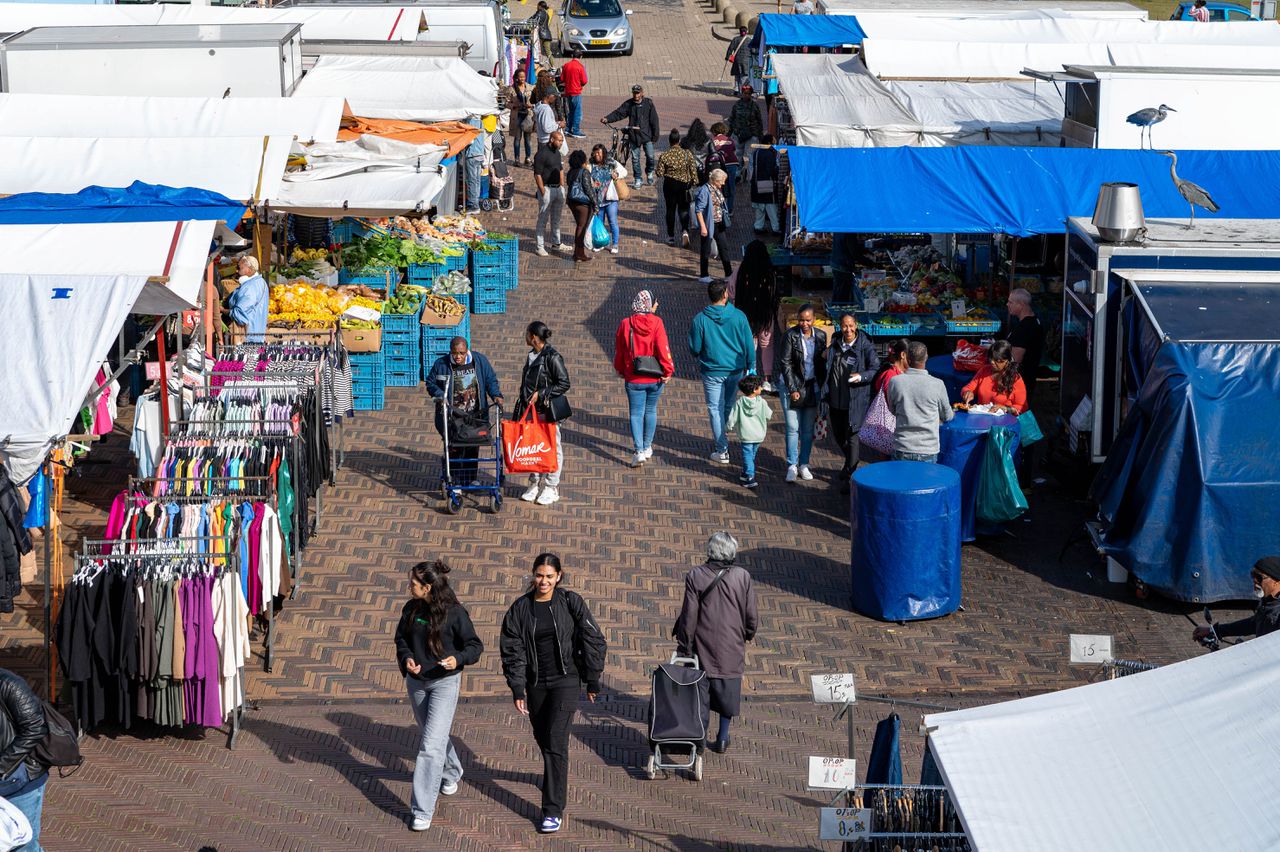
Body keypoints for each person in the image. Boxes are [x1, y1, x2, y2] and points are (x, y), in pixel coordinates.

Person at [500, 553, 607, 834]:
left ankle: (552, 810)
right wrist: (517, 687)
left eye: (549, 576)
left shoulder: (571, 602)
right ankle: (553, 776)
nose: (543, 581)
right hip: (537, 684)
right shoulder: (520, 609)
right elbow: (512, 651)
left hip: (566, 681)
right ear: (533, 576)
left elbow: (593, 638)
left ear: (559, 576)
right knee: (543, 736)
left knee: (556, 742)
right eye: (539, 575)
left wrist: (592, 679)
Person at [395, 561, 483, 832]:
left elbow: (474, 646)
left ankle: (421, 810)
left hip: (444, 684)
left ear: (428, 587)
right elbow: (401, 639)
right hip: (417, 683)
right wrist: (408, 658)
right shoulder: (411, 609)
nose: (409, 586)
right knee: (434, 736)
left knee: (429, 747)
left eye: (413, 582)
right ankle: (453, 771)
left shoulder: (455, 614)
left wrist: (456, 659)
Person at [674, 532, 758, 753]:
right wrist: (748, 633)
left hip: (704, 643)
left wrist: (685, 645)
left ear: (710, 551)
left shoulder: (696, 575)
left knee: (700, 691)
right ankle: (722, 737)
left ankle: (698, 738)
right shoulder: (743, 576)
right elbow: (751, 614)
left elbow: (689, 615)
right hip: (732, 642)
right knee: (728, 689)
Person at [688, 280, 755, 464]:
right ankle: (723, 437)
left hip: (711, 371)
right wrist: (751, 365)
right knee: (727, 405)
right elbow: (749, 343)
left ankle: (721, 448)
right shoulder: (739, 316)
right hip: (735, 370)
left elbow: (694, 348)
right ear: (725, 295)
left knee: (714, 409)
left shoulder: (700, 319)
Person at [426, 337, 504, 487]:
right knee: (454, 446)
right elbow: (431, 383)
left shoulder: (479, 361)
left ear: (466, 350)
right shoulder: (441, 364)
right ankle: (454, 479)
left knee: (472, 446)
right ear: (450, 351)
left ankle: (470, 477)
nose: (458, 357)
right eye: (455, 353)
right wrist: (440, 395)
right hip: (451, 416)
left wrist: (496, 395)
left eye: (461, 353)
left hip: (475, 415)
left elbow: (490, 380)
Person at [614, 289, 675, 467]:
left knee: (635, 413)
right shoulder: (657, 323)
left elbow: (620, 350)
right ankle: (647, 446)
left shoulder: (626, 324)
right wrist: (668, 371)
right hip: (655, 376)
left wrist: (620, 369)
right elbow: (663, 348)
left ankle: (638, 450)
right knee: (651, 411)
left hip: (634, 376)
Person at [515, 321, 571, 505]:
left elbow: (564, 383)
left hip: (546, 411)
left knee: (552, 446)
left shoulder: (552, 357)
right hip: (531, 411)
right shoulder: (531, 355)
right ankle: (534, 483)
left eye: (526, 333)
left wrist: (541, 394)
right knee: (534, 446)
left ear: (533, 337)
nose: (524, 336)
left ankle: (551, 486)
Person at [825, 312, 879, 489]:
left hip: (855, 401)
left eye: (851, 326)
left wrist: (861, 377)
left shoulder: (865, 345)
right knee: (839, 436)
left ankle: (850, 476)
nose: (848, 329)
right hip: (835, 401)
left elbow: (875, 368)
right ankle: (849, 465)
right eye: (844, 326)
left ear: (856, 326)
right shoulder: (835, 343)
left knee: (853, 438)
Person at [775, 304, 827, 483]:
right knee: (792, 426)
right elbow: (785, 363)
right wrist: (792, 389)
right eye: (801, 320)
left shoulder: (820, 336)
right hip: (792, 386)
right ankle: (791, 464)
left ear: (813, 320)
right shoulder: (790, 336)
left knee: (807, 429)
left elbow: (821, 364)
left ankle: (804, 463)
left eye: (808, 320)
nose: (804, 323)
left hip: (812, 387)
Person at [0, 668, 47, 852]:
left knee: (23, 846)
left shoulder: (8, 684)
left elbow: (35, 727)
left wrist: (2, 766)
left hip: (21, 783)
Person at [885, 341, 953, 463]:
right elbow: (947, 416)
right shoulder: (938, 384)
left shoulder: (895, 382)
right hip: (927, 450)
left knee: (901, 482)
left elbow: (893, 410)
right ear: (926, 357)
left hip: (902, 446)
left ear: (907, 358)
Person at [1193, 557, 1280, 642]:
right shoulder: (1267, 601)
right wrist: (1214, 630)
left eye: (1259, 577)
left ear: (1276, 582)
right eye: (1253, 575)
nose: (1255, 581)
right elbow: (1254, 623)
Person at [601, 85, 661, 189]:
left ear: (642, 93)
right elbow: (619, 113)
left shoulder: (648, 103)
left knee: (650, 156)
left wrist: (655, 135)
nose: (636, 95)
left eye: (638, 93)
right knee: (635, 159)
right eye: (634, 93)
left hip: (646, 136)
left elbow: (654, 120)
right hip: (634, 136)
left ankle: (649, 172)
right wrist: (607, 118)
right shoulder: (629, 104)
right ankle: (638, 178)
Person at [726, 375, 772, 489]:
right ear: (754, 389)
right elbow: (768, 415)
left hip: (746, 435)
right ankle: (747, 474)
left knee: (747, 455)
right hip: (759, 435)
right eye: (760, 387)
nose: (761, 388)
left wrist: (727, 428)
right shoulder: (762, 402)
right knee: (752, 455)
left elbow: (732, 418)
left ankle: (749, 475)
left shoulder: (739, 403)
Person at [655, 129, 699, 247]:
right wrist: (695, 182)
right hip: (684, 185)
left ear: (670, 141)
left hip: (669, 185)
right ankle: (684, 230)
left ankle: (671, 237)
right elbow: (693, 170)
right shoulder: (687, 154)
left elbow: (659, 173)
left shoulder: (665, 155)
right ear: (679, 141)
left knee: (670, 210)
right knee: (683, 209)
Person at [961, 339, 1027, 415]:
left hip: (1004, 422)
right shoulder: (984, 371)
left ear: (1007, 361)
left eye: (997, 360)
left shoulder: (1016, 379)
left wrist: (1005, 408)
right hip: (982, 419)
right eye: (991, 358)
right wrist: (967, 392)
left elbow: (1022, 407)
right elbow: (968, 388)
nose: (992, 362)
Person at [532, 130, 571, 257]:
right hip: (547, 189)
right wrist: (542, 191)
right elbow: (537, 174)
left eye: (561, 140)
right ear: (552, 140)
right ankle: (540, 246)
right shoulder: (541, 154)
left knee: (556, 219)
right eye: (559, 140)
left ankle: (556, 243)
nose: (561, 143)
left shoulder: (557, 152)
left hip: (557, 189)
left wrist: (561, 185)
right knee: (543, 219)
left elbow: (560, 168)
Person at [1003, 288, 1045, 405]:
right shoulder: (1035, 321)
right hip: (1029, 379)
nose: (1007, 305)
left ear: (1021, 305)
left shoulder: (1024, 329)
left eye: (1011, 302)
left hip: (1021, 383)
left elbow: (1015, 359)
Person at [693, 169, 734, 284]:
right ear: (715, 180)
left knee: (723, 247)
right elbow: (698, 210)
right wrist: (703, 227)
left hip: (719, 223)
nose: (723, 183)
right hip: (709, 224)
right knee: (705, 249)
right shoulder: (704, 191)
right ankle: (704, 274)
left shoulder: (716, 189)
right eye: (721, 181)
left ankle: (728, 273)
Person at [589, 144, 625, 254]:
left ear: (604, 153)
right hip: (598, 200)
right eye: (595, 153)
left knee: (612, 222)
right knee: (599, 222)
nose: (597, 155)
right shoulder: (591, 165)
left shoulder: (611, 163)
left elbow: (624, 172)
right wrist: (592, 184)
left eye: (599, 153)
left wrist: (617, 174)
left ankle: (615, 244)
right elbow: (588, 178)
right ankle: (600, 243)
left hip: (610, 199)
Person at [565, 149, 598, 263]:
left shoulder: (570, 171)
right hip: (582, 203)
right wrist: (595, 203)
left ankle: (577, 253)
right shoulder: (584, 172)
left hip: (571, 201)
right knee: (582, 227)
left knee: (579, 225)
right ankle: (579, 253)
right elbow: (588, 189)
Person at [227, 255, 268, 343]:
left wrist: (223, 310)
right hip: (257, 334)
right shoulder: (261, 282)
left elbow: (240, 315)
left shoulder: (249, 288)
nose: (237, 270)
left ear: (249, 270)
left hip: (248, 337)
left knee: (245, 357)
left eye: (239, 267)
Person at [728, 86, 764, 181]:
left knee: (751, 156)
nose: (746, 95)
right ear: (742, 93)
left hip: (752, 134)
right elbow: (731, 119)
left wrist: (760, 135)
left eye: (748, 93)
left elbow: (759, 121)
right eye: (745, 93)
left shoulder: (754, 105)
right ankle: (737, 174)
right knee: (737, 155)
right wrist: (729, 133)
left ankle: (751, 176)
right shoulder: (737, 105)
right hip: (738, 134)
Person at [749, 135, 780, 234]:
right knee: (771, 208)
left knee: (759, 207)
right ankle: (775, 228)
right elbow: (771, 170)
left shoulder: (756, 152)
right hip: (767, 184)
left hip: (756, 183)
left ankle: (758, 226)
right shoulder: (770, 154)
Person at [708, 122, 740, 214]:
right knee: (731, 187)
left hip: (720, 165)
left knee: (719, 187)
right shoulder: (729, 139)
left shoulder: (712, 140)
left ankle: (720, 209)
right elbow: (733, 150)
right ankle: (730, 210)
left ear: (714, 131)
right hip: (732, 164)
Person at [508, 68, 535, 166]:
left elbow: (534, 101)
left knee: (528, 139)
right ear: (516, 78)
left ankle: (528, 158)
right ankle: (517, 159)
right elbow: (507, 103)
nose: (522, 78)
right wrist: (514, 106)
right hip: (517, 116)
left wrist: (531, 105)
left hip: (527, 116)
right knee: (517, 139)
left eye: (523, 76)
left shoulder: (530, 88)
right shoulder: (512, 89)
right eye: (520, 77)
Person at [560, 51, 588, 138]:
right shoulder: (580, 66)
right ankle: (576, 130)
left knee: (571, 111)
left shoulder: (566, 65)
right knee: (577, 112)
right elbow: (584, 81)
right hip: (576, 91)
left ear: (572, 55)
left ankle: (568, 129)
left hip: (568, 92)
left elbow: (562, 78)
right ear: (581, 57)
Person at [464, 116, 486, 213]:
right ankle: (475, 202)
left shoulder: (470, 121)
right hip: (480, 153)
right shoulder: (480, 121)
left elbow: (469, 140)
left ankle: (473, 205)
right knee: (476, 181)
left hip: (472, 154)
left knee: (472, 181)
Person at [725, 26, 752, 92]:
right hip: (746, 61)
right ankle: (742, 91)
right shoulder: (749, 40)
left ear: (739, 31)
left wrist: (727, 57)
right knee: (744, 76)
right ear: (746, 32)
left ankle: (736, 89)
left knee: (737, 75)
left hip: (737, 60)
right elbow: (753, 50)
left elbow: (730, 49)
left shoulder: (735, 39)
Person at [684, 118, 711, 183]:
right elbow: (713, 153)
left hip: (691, 168)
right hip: (704, 168)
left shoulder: (686, 140)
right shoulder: (707, 141)